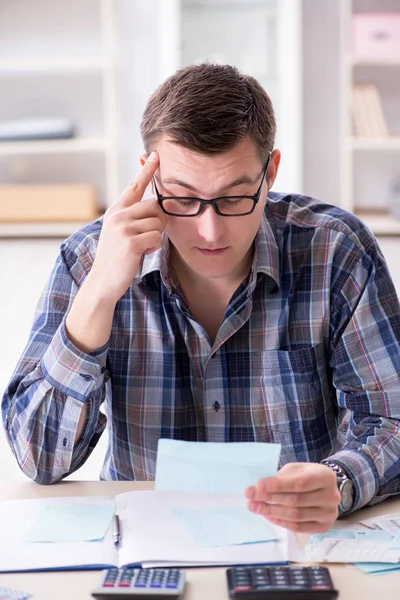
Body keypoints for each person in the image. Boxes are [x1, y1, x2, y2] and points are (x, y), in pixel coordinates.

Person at [2, 63, 400, 535]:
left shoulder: (334, 249)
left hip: (294, 543)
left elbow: (390, 419)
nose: (209, 230)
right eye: (183, 197)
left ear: (269, 171)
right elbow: (38, 458)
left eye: (234, 198)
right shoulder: (90, 257)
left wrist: (339, 480)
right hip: (146, 549)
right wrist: (98, 295)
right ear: (149, 177)